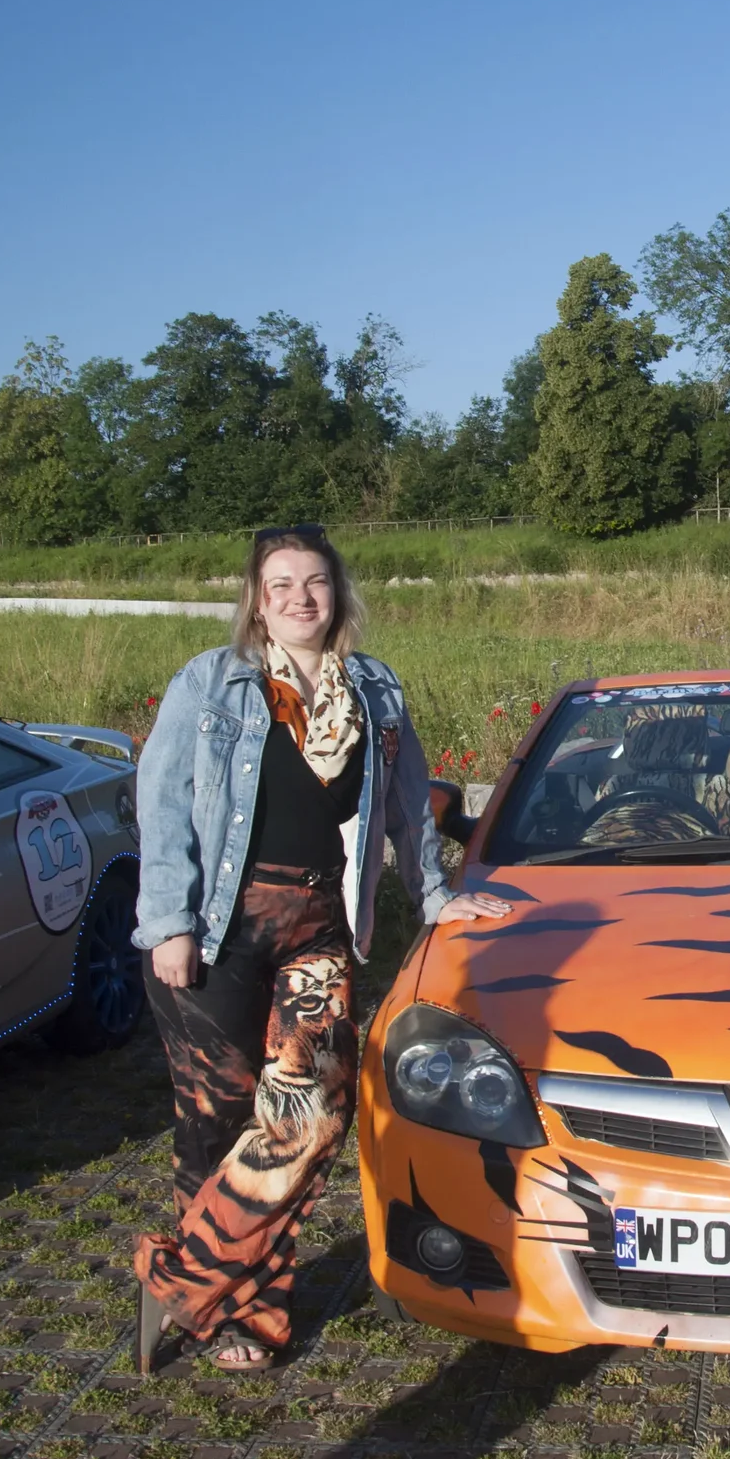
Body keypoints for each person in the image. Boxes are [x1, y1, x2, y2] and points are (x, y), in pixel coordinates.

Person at [129, 524, 510, 1371]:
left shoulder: (371, 690)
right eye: (281, 585)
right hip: (219, 925)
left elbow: (411, 807)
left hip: (315, 921)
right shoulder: (211, 682)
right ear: (255, 600)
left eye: (315, 582)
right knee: (219, 1124)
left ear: (337, 593)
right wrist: (169, 924)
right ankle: (245, 1317)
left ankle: (180, 1282)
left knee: (312, 1112)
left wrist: (439, 897)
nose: (300, 598)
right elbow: (159, 807)